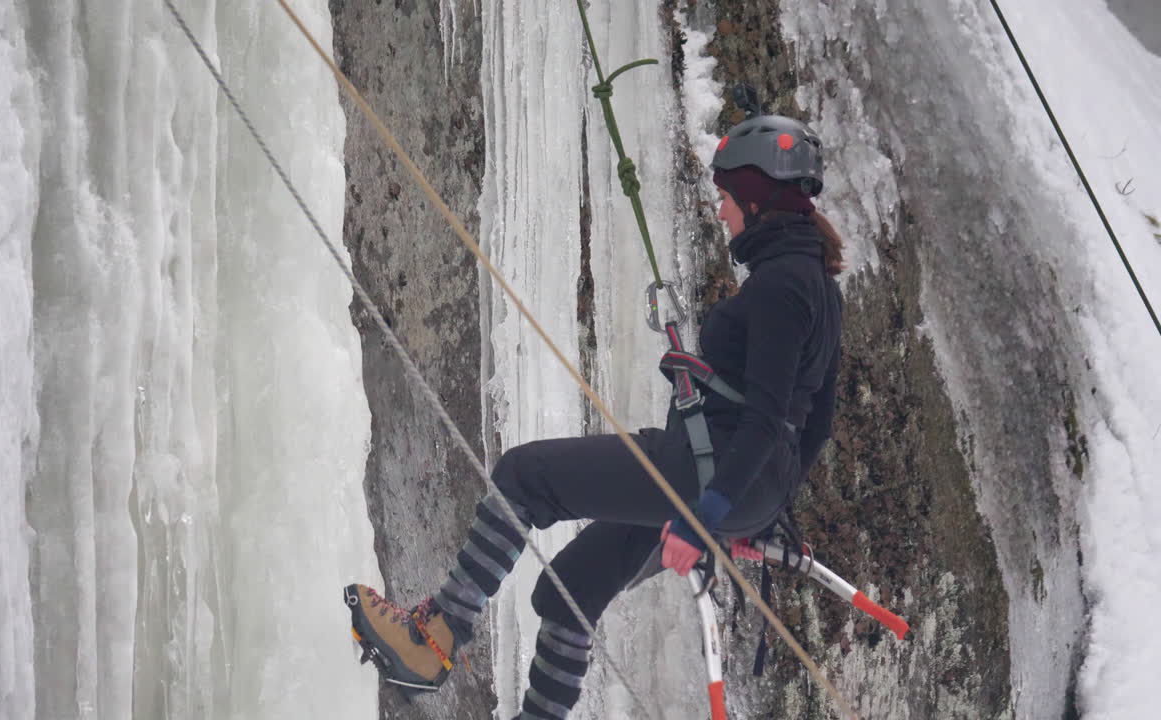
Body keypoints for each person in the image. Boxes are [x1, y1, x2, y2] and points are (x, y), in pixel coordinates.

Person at [345, 112, 845, 720]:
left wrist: (707, 512)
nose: (721, 212)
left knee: (525, 477)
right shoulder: (816, 283)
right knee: (570, 589)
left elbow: (766, 418)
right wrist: (756, 508)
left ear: (756, 196)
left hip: (706, 479)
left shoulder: (780, 287)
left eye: (726, 197)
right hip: (742, 489)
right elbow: (814, 424)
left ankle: (438, 635)